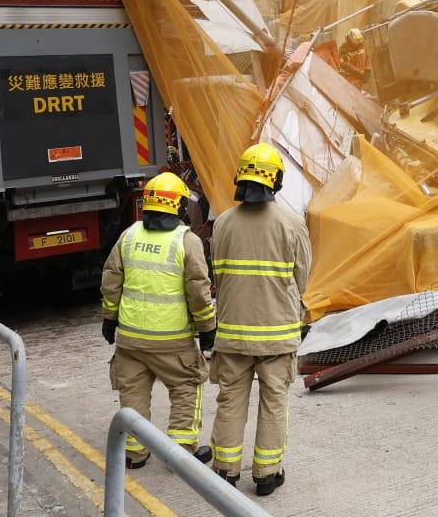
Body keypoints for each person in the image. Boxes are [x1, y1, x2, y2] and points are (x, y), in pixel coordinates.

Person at [204, 143, 311, 497]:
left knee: (231, 400)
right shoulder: (292, 224)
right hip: (277, 336)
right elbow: (302, 279)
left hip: (232, 333)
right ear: (275, 181)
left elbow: (217, 273)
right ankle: (266, 474)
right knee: (274, 402)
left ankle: (225, 470)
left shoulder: (222, 223)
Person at [99, 171, 215, 470]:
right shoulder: (186, 242)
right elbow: (199, 292)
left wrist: (109, 318)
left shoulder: (129, 236)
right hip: (172, 342)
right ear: (177, 207)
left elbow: (111, 281)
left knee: (133, 394)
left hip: (131, 341)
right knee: (187, 386)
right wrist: (207, 328)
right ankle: (180, 452)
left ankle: (135, 453)